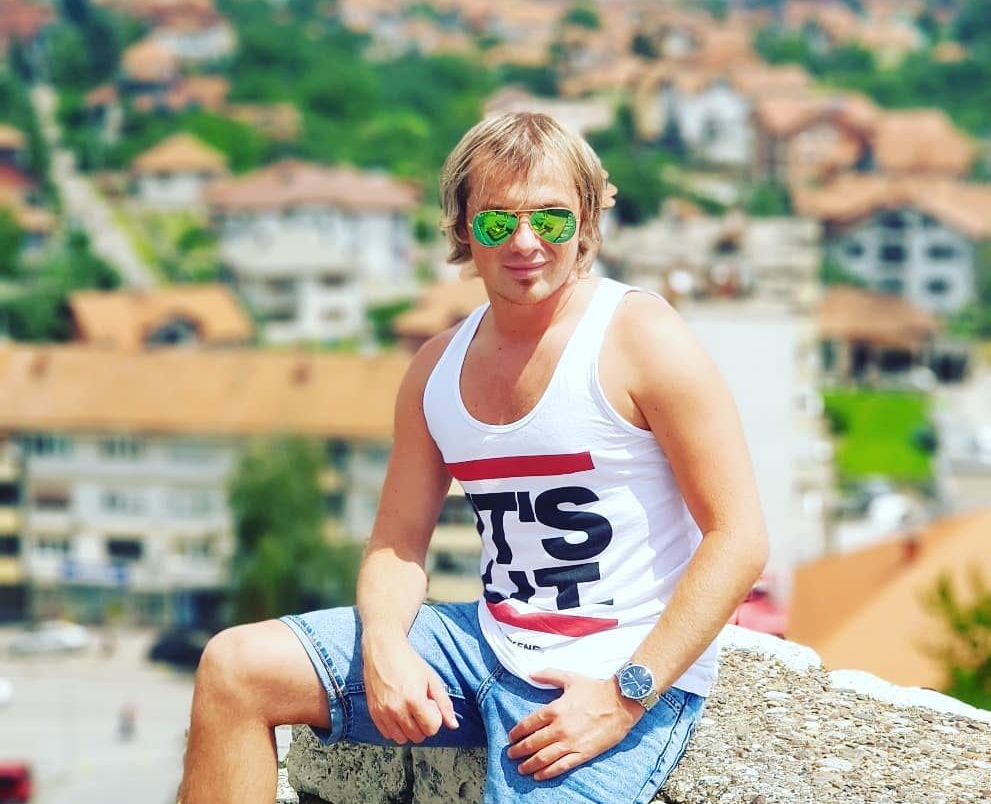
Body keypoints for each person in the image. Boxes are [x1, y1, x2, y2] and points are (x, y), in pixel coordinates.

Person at [178, 113, 768, 804]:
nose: (525, 242)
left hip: (611, 671)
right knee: (234, 669)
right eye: (496, 222)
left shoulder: (639, 337)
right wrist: (385, 644)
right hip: (484, 646)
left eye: (550, 218)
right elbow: (396, 545)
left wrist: (626, 693)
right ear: (463, 226)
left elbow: (739, 537)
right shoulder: (435, 370)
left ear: (584, 219)